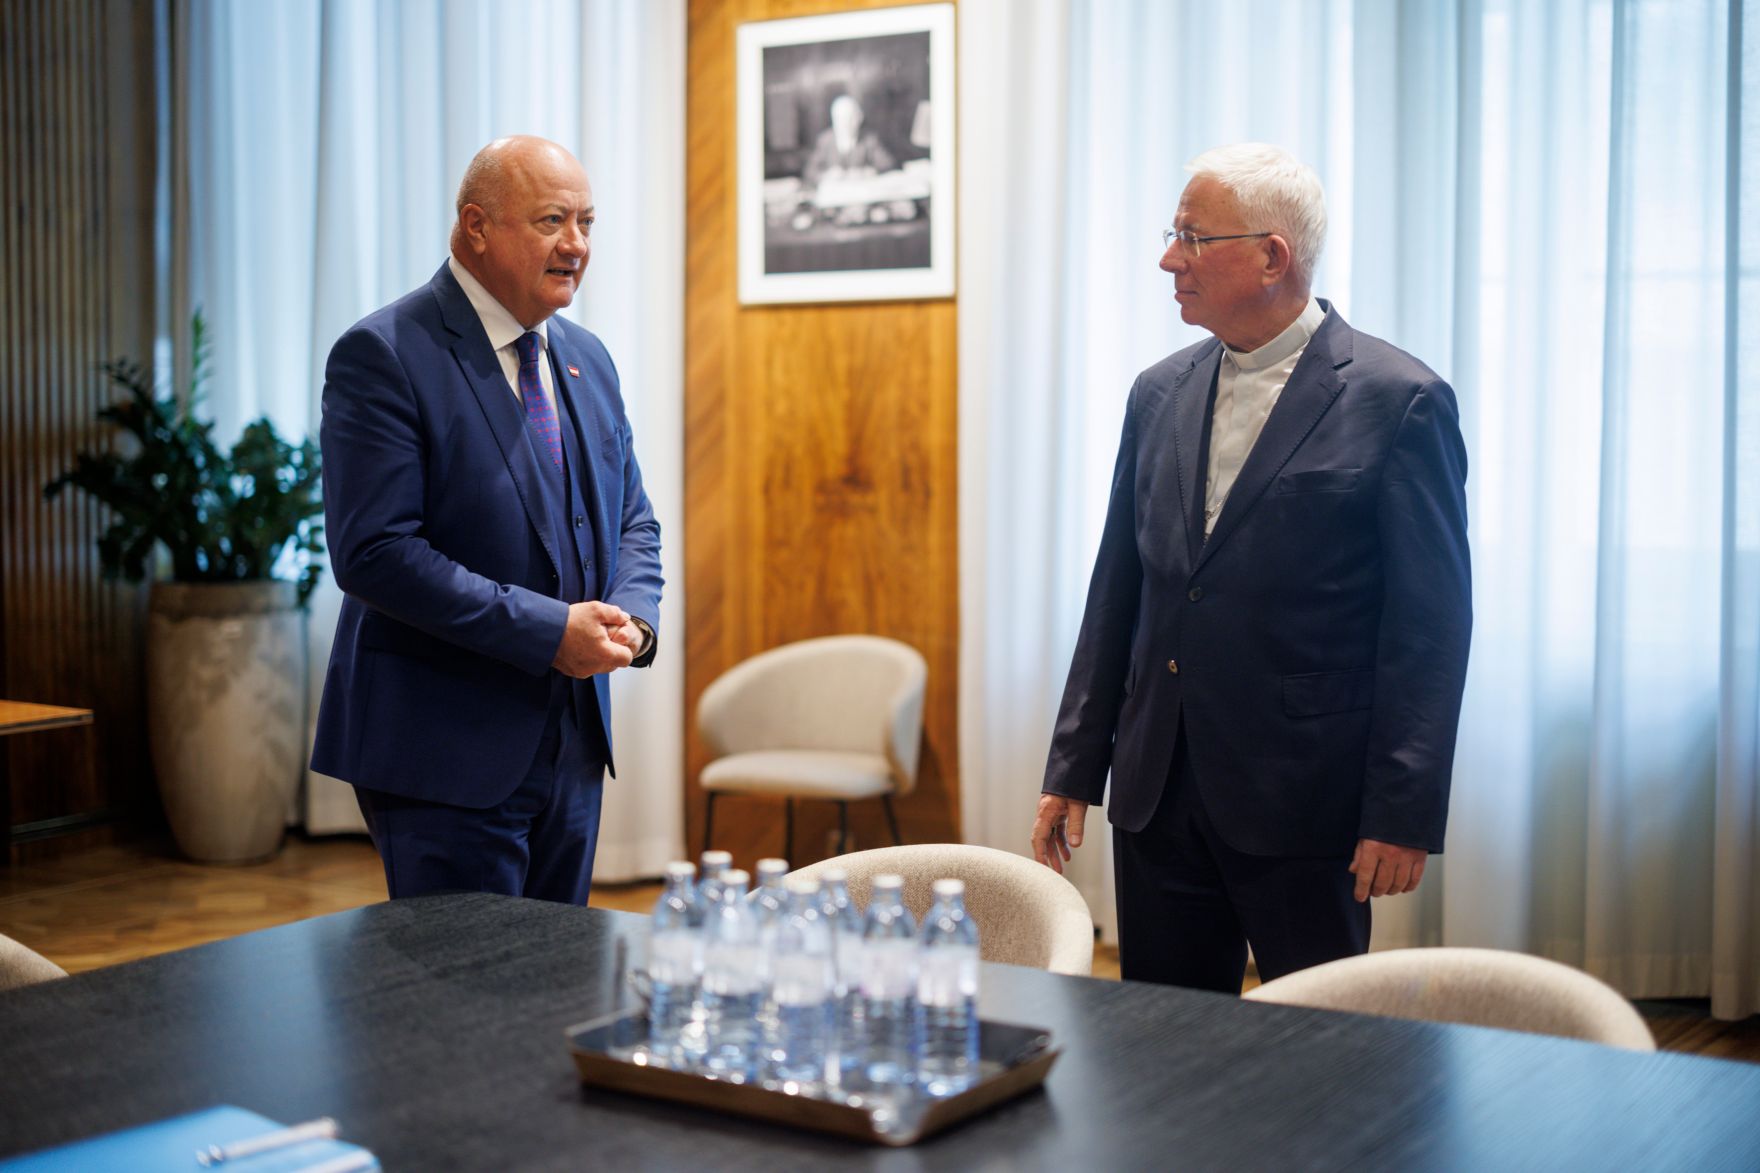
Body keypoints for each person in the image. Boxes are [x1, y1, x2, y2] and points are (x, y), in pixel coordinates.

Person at [1030, 143, 1471, 992]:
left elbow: (1430, 627)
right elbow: (1118, 591)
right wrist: (1074, 767)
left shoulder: (1399, 399)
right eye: (1174, 235)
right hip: (1158, 792)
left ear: (1272, 255)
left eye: (1192, 238)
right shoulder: (1157, 392)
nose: (1169, 258)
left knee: (1319, 1059)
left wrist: (1401, 812)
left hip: (1305, 799)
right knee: (1161, 1049)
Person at [312, 135, 663, 905]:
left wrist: (632, 619)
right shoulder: (383, 353)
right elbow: (376, 552)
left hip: (572, 745)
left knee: (552, 996)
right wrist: (549, 632)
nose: (576, 244)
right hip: (444, 752)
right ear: (477, 227)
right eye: (551, 221)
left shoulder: (587, 357)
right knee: (460, 1013)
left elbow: (634, 515)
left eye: (587, 223)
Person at [801, 94, 896, 190]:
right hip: (834, 195)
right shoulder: (825, 141)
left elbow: (887, 164)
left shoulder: (869, 139)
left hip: (862, 193)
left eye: (850, 118)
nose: (845, 124)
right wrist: (826, 175)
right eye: (840, 119)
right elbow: (810, 172)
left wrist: (867, 172)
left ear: (859, 118)